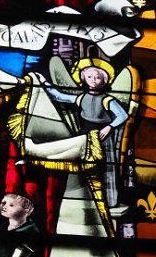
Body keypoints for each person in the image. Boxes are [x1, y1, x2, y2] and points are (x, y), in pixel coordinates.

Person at [36, 58, 132, 210]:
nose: (93, 80)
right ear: (83, 79)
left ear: (104, 80)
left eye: (97, 77)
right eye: (90, 77)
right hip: (85, 136)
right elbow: (58, 96)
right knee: (85, 168)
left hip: (103, 137)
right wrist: (43, 82)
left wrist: (109, 127)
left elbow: (122, 115)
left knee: (105, 169)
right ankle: (88, 199)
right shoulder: (81, 98)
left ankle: (109, 201)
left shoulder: (107, 99)